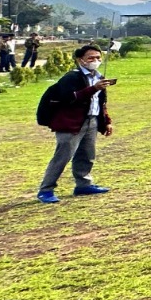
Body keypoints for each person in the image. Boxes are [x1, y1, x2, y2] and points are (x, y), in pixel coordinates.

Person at [37, 43, 115, 204]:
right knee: (62, 156)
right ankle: (46, 189)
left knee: (87, 155)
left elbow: (102, 102)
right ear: (81, 60)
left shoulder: (98, 77)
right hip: (71, 122)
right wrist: (93, 88)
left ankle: (83, 184)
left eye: (98, 57)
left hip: (91, 120)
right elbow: (68, 98)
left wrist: (106, 121)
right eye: (91, 58)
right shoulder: (71, 77)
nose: (95, 60)